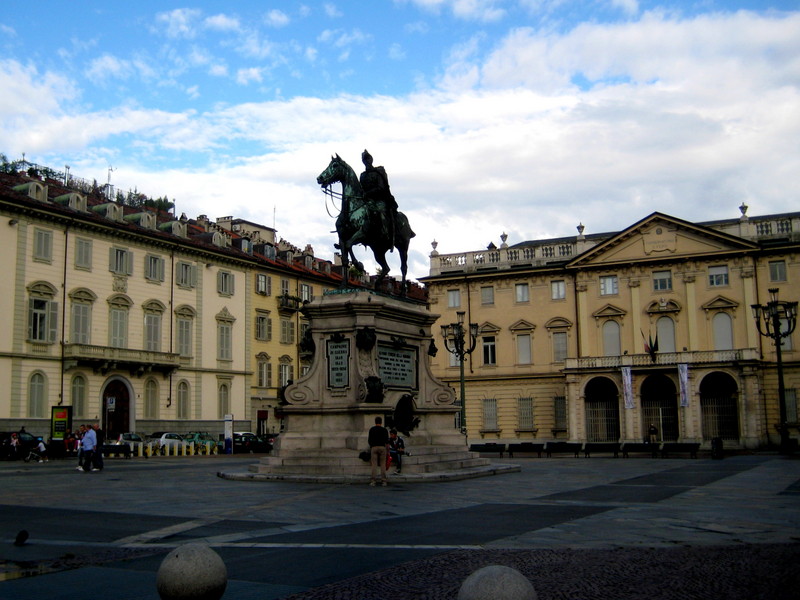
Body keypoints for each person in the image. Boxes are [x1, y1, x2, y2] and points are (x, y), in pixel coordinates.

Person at [359, 150, 398, 249]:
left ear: (371, 160)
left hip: (380, 200)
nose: (367, 161)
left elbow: (381, 188)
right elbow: (360, 189)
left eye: (368, 159)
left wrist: (368, 193)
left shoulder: (378, 172)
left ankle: (385, 232)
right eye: (365, 160)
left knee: (379, 212)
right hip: (367, 201)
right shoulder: (362, 175)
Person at [368, 416, 389, 486]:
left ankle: (373, 481)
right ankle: (384, 481)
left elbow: (369, 440)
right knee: (383, 465)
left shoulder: (372, 429)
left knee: (374, 465)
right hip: (382, 447)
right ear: (381, 422)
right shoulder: (384, 430)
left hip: (374, 447)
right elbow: (387, 440)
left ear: (375, 422)